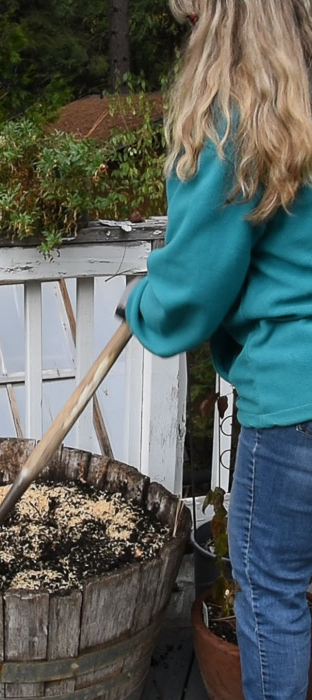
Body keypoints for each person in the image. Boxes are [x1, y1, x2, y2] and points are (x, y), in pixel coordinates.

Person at [123, 1, 312, 698]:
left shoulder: (236, 116)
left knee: (271, 593)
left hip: (296, 402)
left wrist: (143, 304)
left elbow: (191, 292)